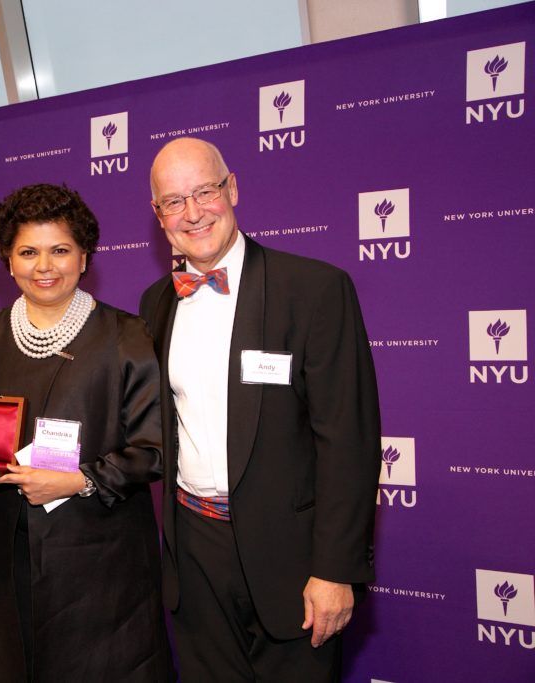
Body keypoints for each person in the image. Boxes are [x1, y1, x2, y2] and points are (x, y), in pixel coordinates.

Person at [139, 137, 381, 681]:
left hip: (292, 564)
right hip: (195, 557)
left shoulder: (315, 290)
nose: (193, 212)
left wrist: (335, 571)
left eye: (205, 192)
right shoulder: (155, 304)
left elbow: (349, 441)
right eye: (173, 201)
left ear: (233, 189)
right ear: (158, 216)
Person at [0, 184, 172, 683]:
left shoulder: (127, 336)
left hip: (102, 554)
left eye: (60, 250)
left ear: (84, 258)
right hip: (6, 552)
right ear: (7, 262)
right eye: (27, 252)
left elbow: (155, 447)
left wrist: (80, 480)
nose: (44, 266)